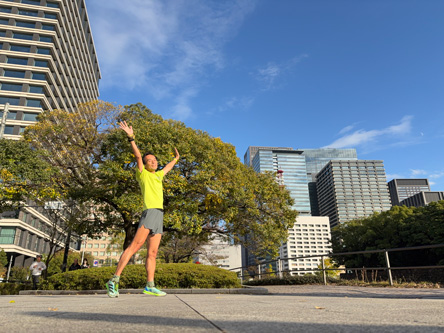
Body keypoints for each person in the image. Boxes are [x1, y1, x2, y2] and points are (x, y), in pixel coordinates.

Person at [105, 121, 180, 298]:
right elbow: (138, 157)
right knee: (133, 247)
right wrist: (131, 138)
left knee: (152, 253)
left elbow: (167, 167)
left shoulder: (159, 175)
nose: (153, 162)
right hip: (150, 213)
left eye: (155, 160)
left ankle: (150, 285)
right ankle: (114, 280)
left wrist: (176, 159)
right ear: (145, 165)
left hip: (159, 215)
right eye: (150, 161)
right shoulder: (142, 174)